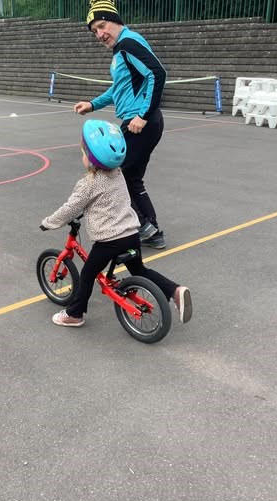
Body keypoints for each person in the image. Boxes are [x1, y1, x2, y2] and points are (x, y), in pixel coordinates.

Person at [40, 119, 192, 328]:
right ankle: (175, 290)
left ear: (91, 158)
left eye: (83, 152)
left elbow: (71, 208)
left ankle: (74, 314)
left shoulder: (88, 184)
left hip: (109, 241)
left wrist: (49, 223)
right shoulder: (118, 173)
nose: (82, 156)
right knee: (139, 269)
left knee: (87, 274)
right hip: (131, 234)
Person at [74, 0, 167, 249]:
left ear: (115, 21)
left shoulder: (128, 43)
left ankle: (137, 229)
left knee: (111, 174)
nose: (99, 34)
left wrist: (143, 115)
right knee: (131, 178)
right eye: (94, 31)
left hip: (141, 123)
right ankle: (152, 231)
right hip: (139, 121)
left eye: (102, 26)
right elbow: (119, 89)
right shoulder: (120, 51)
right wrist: (92, 104)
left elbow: (157, 73)